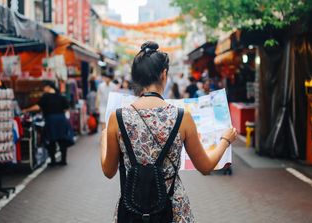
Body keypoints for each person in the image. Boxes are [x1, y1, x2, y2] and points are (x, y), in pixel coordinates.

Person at [100, 41, 238, 222]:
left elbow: (108, 171)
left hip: (132, 210)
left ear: (135, 77)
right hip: (173, 210)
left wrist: (104, 140)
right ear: (164, 74)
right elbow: (205, 167)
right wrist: (225, 140)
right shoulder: (182, 117)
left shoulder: (116, 118)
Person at [22, 80, 74, 166]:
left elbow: (37, 106)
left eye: (44, 87)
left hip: (51, 120)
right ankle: (63, 160)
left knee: (51, 140)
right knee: (62, 140)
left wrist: (26, 110)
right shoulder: (60, 96)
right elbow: (66, 109)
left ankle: (53, 161)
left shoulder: (45, 97)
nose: (43, 88)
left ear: (49, 87)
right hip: (61, 120)